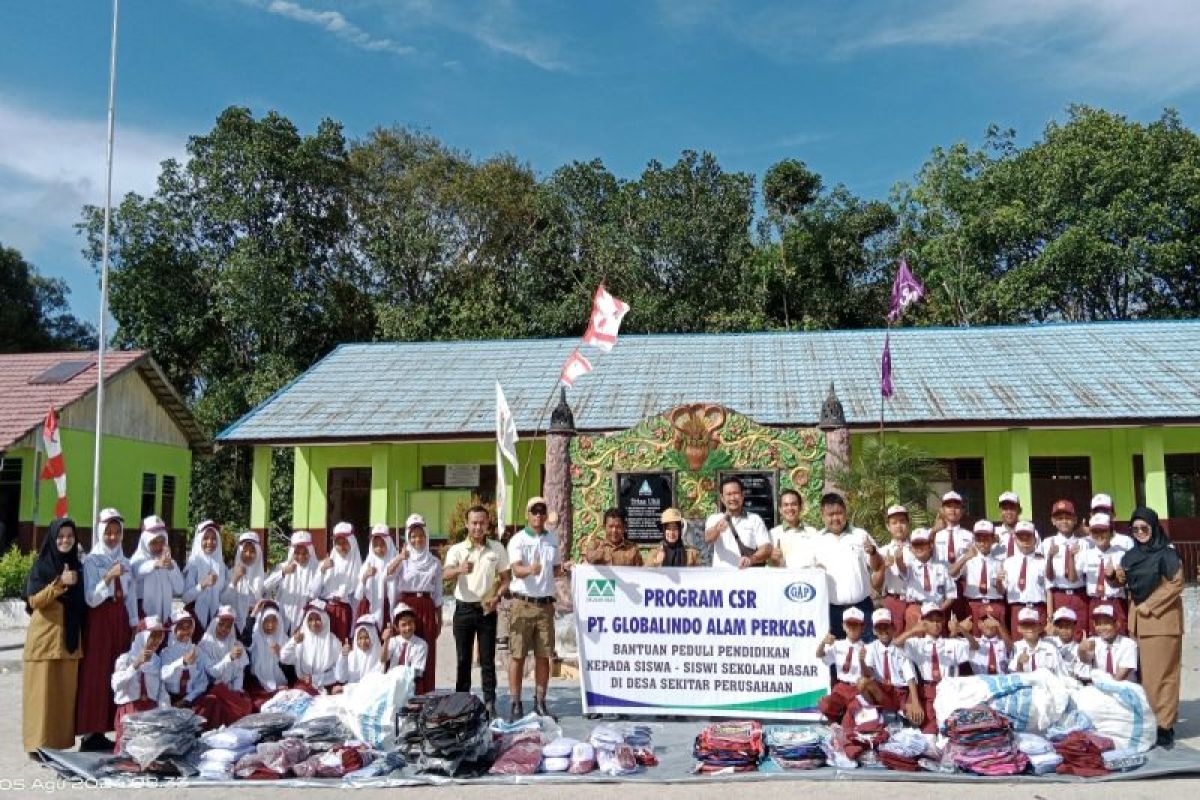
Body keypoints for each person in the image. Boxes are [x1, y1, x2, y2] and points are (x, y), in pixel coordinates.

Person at [76, 507, 138, 751]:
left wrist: (133, 624)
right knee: (97, 671)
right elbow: (91, 598)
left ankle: (111, 726)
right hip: (100, 619)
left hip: (119, 620)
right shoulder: (92, 561)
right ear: (100, 533)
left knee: (117, 668)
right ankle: (92, 731)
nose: (113, 538)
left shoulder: (125, 561)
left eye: (117, 533)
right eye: (108, 533)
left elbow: (131, 595)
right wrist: (108, 577)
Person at [23, 518, 85, 756]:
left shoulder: (78, 567)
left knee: (63, 696)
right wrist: (59, 583)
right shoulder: (41, 566)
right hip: (44, 640)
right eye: (60, 536)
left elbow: (83, 604)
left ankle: (58, 745)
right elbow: (34, 600)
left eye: (70, 536)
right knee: (40, 697)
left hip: (69, 642)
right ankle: (36, 745)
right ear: (52, 538)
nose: (65, 540)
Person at [1123, 506, 1183, 749]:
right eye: (1135, 528)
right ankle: (1153, 722)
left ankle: (1164, 726)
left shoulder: (1166, 552)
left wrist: (1150, 604)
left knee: (1162, 677)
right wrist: (1113, 576)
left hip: (1161, 622)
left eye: (1144, 528)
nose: (1139, 532)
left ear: (1154, 528)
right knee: (1146, 677)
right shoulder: (1134, 554)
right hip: (1139, 622)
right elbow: (1129, 578)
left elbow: (1176, 583)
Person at [444, 505, 510, 717]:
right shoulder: (457, 550)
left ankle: (490, 703)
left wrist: (497, 596)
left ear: (488, 524)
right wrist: (459, 570)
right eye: (474, 523)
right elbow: (444, 574)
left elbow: (507, 579)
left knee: (488, 660)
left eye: (482, 522)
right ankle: (461, 702)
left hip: (487, 610)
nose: (478, 527)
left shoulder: (497, 549)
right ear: (467, 524)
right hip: (463, 609)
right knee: (463, 659)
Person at [506, 496, 560, 721]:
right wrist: (531, 569)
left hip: (545, 604)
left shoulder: (552, 540)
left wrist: (563, 569)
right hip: (523, 602)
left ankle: (540, 702)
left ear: (546, 515)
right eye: (534, 511)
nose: (538, 515)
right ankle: (515, 702)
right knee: (517, 655)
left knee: (543, 655)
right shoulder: (518, 540)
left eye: (541, 511)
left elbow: (554, 570)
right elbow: (516, 570)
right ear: (527, 515)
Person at [812, 493, 881, 640]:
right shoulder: (816, 540)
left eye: (839, 513)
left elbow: (876, 566)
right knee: (837, 655)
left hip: (862, 607)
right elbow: (808, 575)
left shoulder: (860, 535)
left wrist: (873, 553)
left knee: (866, 654)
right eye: (830, 514)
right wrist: (815, 570)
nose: (835, 518)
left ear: (845, 512)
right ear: (822, 516)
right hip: (832, 610)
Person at [894, 603, 969, 734]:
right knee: (929, 735)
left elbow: (974, 648)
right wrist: (913, 630)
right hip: (928, 691)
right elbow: (896, 645)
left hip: (948, 689)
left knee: (951, 732)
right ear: (922, 621)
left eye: (938, 620)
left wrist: (962, 630)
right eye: (930, 620)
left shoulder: (951, 643)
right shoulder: (917, 644)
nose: (935, 624)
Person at [391, 514, 443, 695]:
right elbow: (387, 574)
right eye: (413, 536)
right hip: (407, 606)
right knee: (406, 647)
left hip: (427, 607)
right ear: (408, 537)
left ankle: (426, 692)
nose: (417, 539)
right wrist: (399, 558)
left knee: (426, 649)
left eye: (420, 535)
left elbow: (438, 592)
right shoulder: (403, 560)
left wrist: (440, 618)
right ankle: (405, 693)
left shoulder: (434, 562)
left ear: (426, 536)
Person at [110, 616, 169, 751]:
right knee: (128, 750)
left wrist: (165, 712)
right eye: (152, 636)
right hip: (130, 710)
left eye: (160, 636)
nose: (156, 641)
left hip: (151, 711)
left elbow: (161, 690)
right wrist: (135, 665)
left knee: (149, 751)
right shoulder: (125, 659)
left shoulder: (157, 661)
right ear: (141, 636)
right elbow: (116, 685)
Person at [860, 608, 923, 725]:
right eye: (879, 627)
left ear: (893, 627)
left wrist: (915, 701)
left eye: (886, 626)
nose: (883, 631)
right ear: (874, 630)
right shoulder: (870, 648)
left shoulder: (901, 646)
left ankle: (900, 714)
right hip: (882, 691)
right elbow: (869, 674)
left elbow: (910, 676)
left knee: (917, 720)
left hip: (900, 691)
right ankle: (874, 711)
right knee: (862, 682)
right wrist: (861, 661)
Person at [1042, 500, 1092, 637]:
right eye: (1059, 518)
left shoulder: (1084, 544)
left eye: (1068, 518)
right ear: (1053, 521)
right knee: (1058, 637)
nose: (1064, 521)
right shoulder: (1047, 543)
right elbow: (1048, 582)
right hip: (1059, 596)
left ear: (1075, 520)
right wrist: (1050, 616)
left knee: (1080, 635)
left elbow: (1080, 576)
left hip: (1079, 596)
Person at [197, 605, 252, 727]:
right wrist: (229, 658)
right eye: (221, 625)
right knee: (218, 707)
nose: (224, 629)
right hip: (211, 687)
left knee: (245, 705)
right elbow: (213, 673)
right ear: (214, 624)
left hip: (231, 688)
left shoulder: (236, 644)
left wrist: (236, 691)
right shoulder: (204, 646)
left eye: (228, 627)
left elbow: (239, 673)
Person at [950, 520, 1006, 636]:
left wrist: (999, 582)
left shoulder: (999, 562)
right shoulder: (968, 560)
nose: (982, 543)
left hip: (993, 604)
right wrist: (965, 557)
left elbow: (1001, 591)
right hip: (973, 605)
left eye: (986, 538)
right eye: (979, 539)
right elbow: (952, 574)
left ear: (992, 539)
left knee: (995, 641)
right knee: (975, 641)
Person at [703, 476, 771, 569]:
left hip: (747, 578)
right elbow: (707, 539)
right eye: (729, 494)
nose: (733, 498)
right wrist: (717, 529)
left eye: (736, 493)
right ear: (722, 498)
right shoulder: (714, 518)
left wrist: (751, 559)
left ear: (742, 495)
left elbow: (766, 548)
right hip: (721, 578)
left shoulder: (754, 519)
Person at [998, 521, 1053, 634]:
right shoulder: (1008, 563)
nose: (1025, 541)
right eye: (1021, 538)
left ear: (1035, 539)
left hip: (1038, 608)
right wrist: (998, 581)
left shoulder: (1043, 562)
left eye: (1028, 537)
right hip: (1016, 609)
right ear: (1015, 540)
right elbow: (1002, 590)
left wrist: (1050, 619)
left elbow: (1048, 591)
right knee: (1018, 647)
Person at [815, 607, 867, 721]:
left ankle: (846, 719)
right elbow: (819, 655)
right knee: (824, 703)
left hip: (856, 688)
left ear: (862, 627)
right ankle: (838, 717)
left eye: (856, 624)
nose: (852, 628)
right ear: (844, 626)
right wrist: (823, 643)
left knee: (852, 717)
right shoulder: (838, 645)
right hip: (841, 687)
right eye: (849, 624)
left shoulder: (866, 648)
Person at [1081, 512, 1128, 634]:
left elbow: (1124, 581)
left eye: (1103, 531)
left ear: (1111, 532)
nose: (1099, 535)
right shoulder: (1085, 554)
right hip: (1095, 601)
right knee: (1096, 640)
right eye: (1095, 532)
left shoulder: (1121, 553)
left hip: (1115, 601)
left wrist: (1114, 575)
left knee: (1119, 636)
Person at [898, 528, 955, 629]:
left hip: (937, 609)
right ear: (911, 548)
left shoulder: (942, 568)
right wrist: (898, 558)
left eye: (922, 543)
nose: (919, 547)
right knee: (915, 642)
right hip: (916, 609)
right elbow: (901, 568)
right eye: (916, 544)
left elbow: (951, 595)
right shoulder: (909, 567)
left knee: (937, 643)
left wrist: (939, 609)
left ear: (930, 545)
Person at [264, 530, 320, 633]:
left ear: (310, 551)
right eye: (297, 553)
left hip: (306, 621)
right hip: (283, 617)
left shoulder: (317, 569)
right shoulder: (283, 567)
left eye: (304, 553)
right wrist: (282, 573)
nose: (301, 557)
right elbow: (265, 587)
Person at [280, 600, 341, 694]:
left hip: (327, 686)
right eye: (310, 619)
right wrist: (293, 642)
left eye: (317, 619)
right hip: (303, 686)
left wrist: (317, 679)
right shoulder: (301, 637)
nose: (314, 623)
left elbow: (339, 671)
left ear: (324, 620)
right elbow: (284, 658)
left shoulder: (333, 641)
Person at [130, 515, 183, 621]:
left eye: (162, 542)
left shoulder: (170, 563)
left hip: (165, 616)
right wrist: (155, 564)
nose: (159, 547)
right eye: (154, 543)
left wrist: (171, 569)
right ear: (145, 542)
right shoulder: (137, 560)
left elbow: (180, 589)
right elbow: (136, 572)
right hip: (143, 616)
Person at [316, 522, 362, 642]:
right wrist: (322, 570)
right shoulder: (325, 564)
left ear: (352, 543)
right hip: (325, 610)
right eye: (338, 543)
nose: (341, 547)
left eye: (345, 542)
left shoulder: (358, 567)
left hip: (344, 613)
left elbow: (357, 598)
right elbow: (313, 592)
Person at [183, 520, 227, 639]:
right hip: (194, 621)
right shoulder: (193, 564)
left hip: (215, 622)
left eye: (214, 539)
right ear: (199, 540)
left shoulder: (221, 566)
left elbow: (222, 595)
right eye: (206, 538)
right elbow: (185, 598)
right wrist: (202, 585)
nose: (210, 542)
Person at [873, 505, 912, 634]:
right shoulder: (883, 551)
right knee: (894, 643)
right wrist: (884, 566)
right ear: (888, 526)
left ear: (908, 523)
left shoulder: (918, 548)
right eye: (894, 523)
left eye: (902, 521)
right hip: (893, 601)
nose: (899, 526)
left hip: (915, 602)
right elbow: (876, 585)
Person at [1075, 604, 1138, 683]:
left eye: (1106, 623)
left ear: (1117, 624)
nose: (1102, 628)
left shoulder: (1128, 644)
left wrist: (1106, 689)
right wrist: (1082, 650)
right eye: (1098, 624)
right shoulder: (1092, 642)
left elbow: (1121, 676)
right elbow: (1084, 661)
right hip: (1100, 689)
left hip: (1124, 689)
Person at [161, 611, 209, 708]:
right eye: (182, 628)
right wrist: (182, 662)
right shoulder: (166, 653)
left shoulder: (197, 651)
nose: (186, 632)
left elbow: (202, 681)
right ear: (173, 630)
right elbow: (163, 675)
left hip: (191, 698)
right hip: (170, 698)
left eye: (189, 628)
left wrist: (187, 699)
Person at [246, 601, 288, 709]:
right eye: (266, 621)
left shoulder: (284, 639)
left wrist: (280, 654)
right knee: (259, 705)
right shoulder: (255, 636)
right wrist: (253, 614)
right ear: (261, 622)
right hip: (258, 683)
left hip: (280, 683)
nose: (270, 625)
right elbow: (245, 640)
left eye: (274, 621)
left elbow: (291, 670)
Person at [223, 531, 265, 637]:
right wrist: (235, 579)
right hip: (233, 627)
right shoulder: (230, 573)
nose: (248, 554)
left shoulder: (264, 575)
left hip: (258, 627)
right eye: (244, 550)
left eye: (252, 551)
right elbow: (224, 601)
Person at [358, 524, 397, 628]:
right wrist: (365, 576)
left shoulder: (395, 560)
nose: (379, 548)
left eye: (382, 544)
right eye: (375, 545)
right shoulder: (368, 563)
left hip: (388, 607)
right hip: (370, 607)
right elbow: (358, 594)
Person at [769, 490, 819, 568]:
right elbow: (768, 567)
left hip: (807, 579)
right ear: (780, 509)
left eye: (794, 504)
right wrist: (772, 560)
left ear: (800, 507)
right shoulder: (772, 534)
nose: (790, 508)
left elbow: (820, 561)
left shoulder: (813, 533)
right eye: (786, 505)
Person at [335, 615, 383, 690]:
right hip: (352, 692)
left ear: (373, 637)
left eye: (367, 638)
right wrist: (343, 657)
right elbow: (341, 677)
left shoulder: (379, 655)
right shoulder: (351, 656)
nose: (363, 642)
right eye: (360, 638)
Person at [1008, 607, 1062, 674]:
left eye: (1033, 625)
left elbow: (1061, 674)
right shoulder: (1015, 647)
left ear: (1039, 627)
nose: (1030, 629)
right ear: (1019, 628)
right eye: (1025, 625)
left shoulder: (1051, 648)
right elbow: (1013, 678)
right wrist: (1019, 664)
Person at [382, 604, 429, 679]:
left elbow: (417, 671)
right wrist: (386, 642)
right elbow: (383, 659)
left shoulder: (421, 644)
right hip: (390, 679)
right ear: (396, 627)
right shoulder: (393, 641)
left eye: (410, 623)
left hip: (409, 681)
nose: (408, 628)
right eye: (403, 625)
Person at [1048, 608, 1081, 677]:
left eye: (1068, 626)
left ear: (1074, 626)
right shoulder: (1048, 642)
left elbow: (1078, 674)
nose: (1064, 630)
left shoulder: (1079, 649)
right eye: (1061, 627)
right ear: (1056, 627)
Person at [995, 491, 1028, 558]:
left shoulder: (1030, 532)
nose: (1008, 512)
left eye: (1012, 508)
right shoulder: (993, 534)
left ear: (1019, 510)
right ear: (1000, 512)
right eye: (1005, 509)